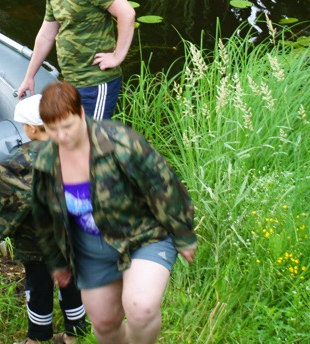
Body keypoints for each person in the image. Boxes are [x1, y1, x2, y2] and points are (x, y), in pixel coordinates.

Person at [31, 81, 197, 344]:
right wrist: (57, 262)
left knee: (141, 308)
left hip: (142, 235)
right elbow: (43, 215)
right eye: (53, 129)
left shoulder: (120, 141)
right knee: (104, 323)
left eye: (68, 127)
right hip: (91, 249)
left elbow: (163, 185)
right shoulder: (45, 161)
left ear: (81, 115)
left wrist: (184, 234)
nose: (61, 137)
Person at [0, 95, 88, 344]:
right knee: (73, 282)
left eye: (24, 125)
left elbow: (5, 207)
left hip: (37, 241)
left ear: (33, 128)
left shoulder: (19, 162)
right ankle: (75, 335)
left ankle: (36, 338)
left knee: (38, 286)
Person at [17, 0, 136, 120]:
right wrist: (29, 76)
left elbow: (127, 14)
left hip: (95, 83)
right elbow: (46, 35)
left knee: (91, 141)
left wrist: (117, 56)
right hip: (72, 82)